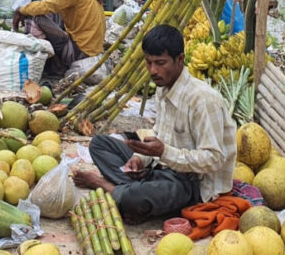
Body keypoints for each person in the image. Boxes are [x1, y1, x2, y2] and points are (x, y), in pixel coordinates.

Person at [73, 25, 237, 219]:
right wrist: (140, 158)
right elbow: (160, 133)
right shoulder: (163, 88)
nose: (153, 70)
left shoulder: (202, 100)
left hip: (189, 183)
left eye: (160, 63)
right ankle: (133, 192)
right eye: (149, 62)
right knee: (99, 144)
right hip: (161, 168)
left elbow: (214, 159)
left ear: (180, 60)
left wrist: (164, 152)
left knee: (135, 197)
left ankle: (109, 187)